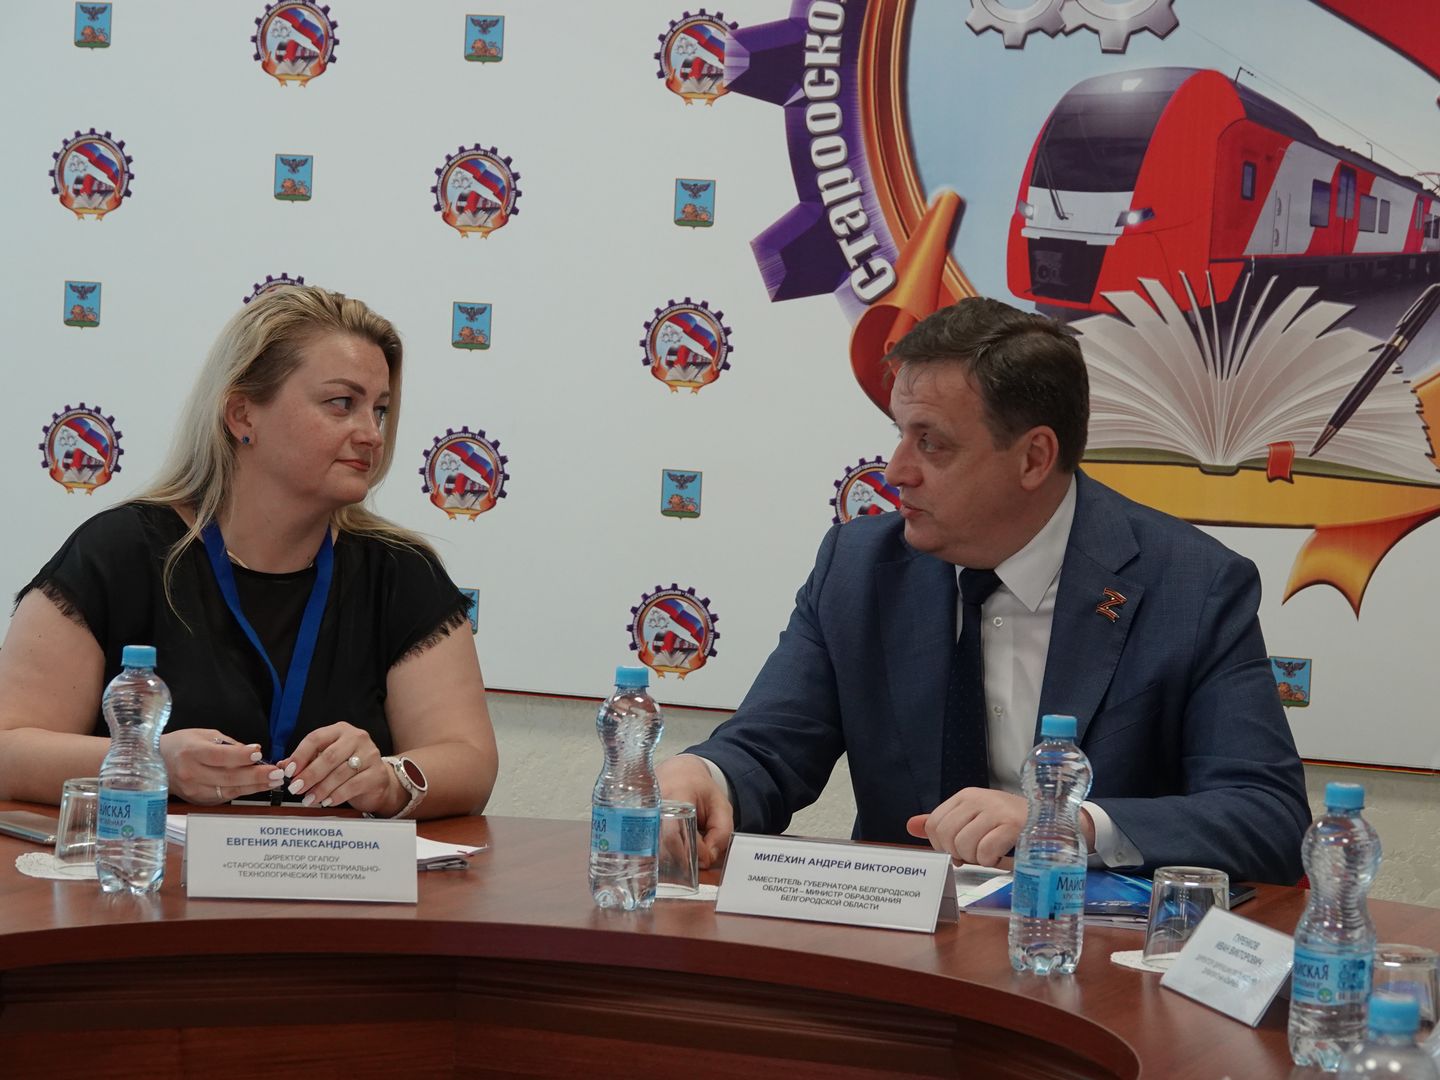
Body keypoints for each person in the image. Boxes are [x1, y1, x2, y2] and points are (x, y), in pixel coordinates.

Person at [658, 297, 1310, 884]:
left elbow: (1268, 818)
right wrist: (706, 777)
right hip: (898, 941)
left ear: (1033, 458)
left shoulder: (1192, 586)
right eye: (899, 434)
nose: (895, 472)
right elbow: (770, 746)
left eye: (931, 444)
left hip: (1082, 948)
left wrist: (1069, 826)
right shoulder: (858, 568)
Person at [0, 286, 498, 819]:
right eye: (342, 404)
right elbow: (9, 747)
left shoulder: (400, 570)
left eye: (379, 410)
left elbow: (469, 760)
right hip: (153, 867)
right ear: (242, 415)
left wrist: (389, 779)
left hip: (335, 870)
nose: (371, 435)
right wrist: (149, 760)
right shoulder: (119, 551)